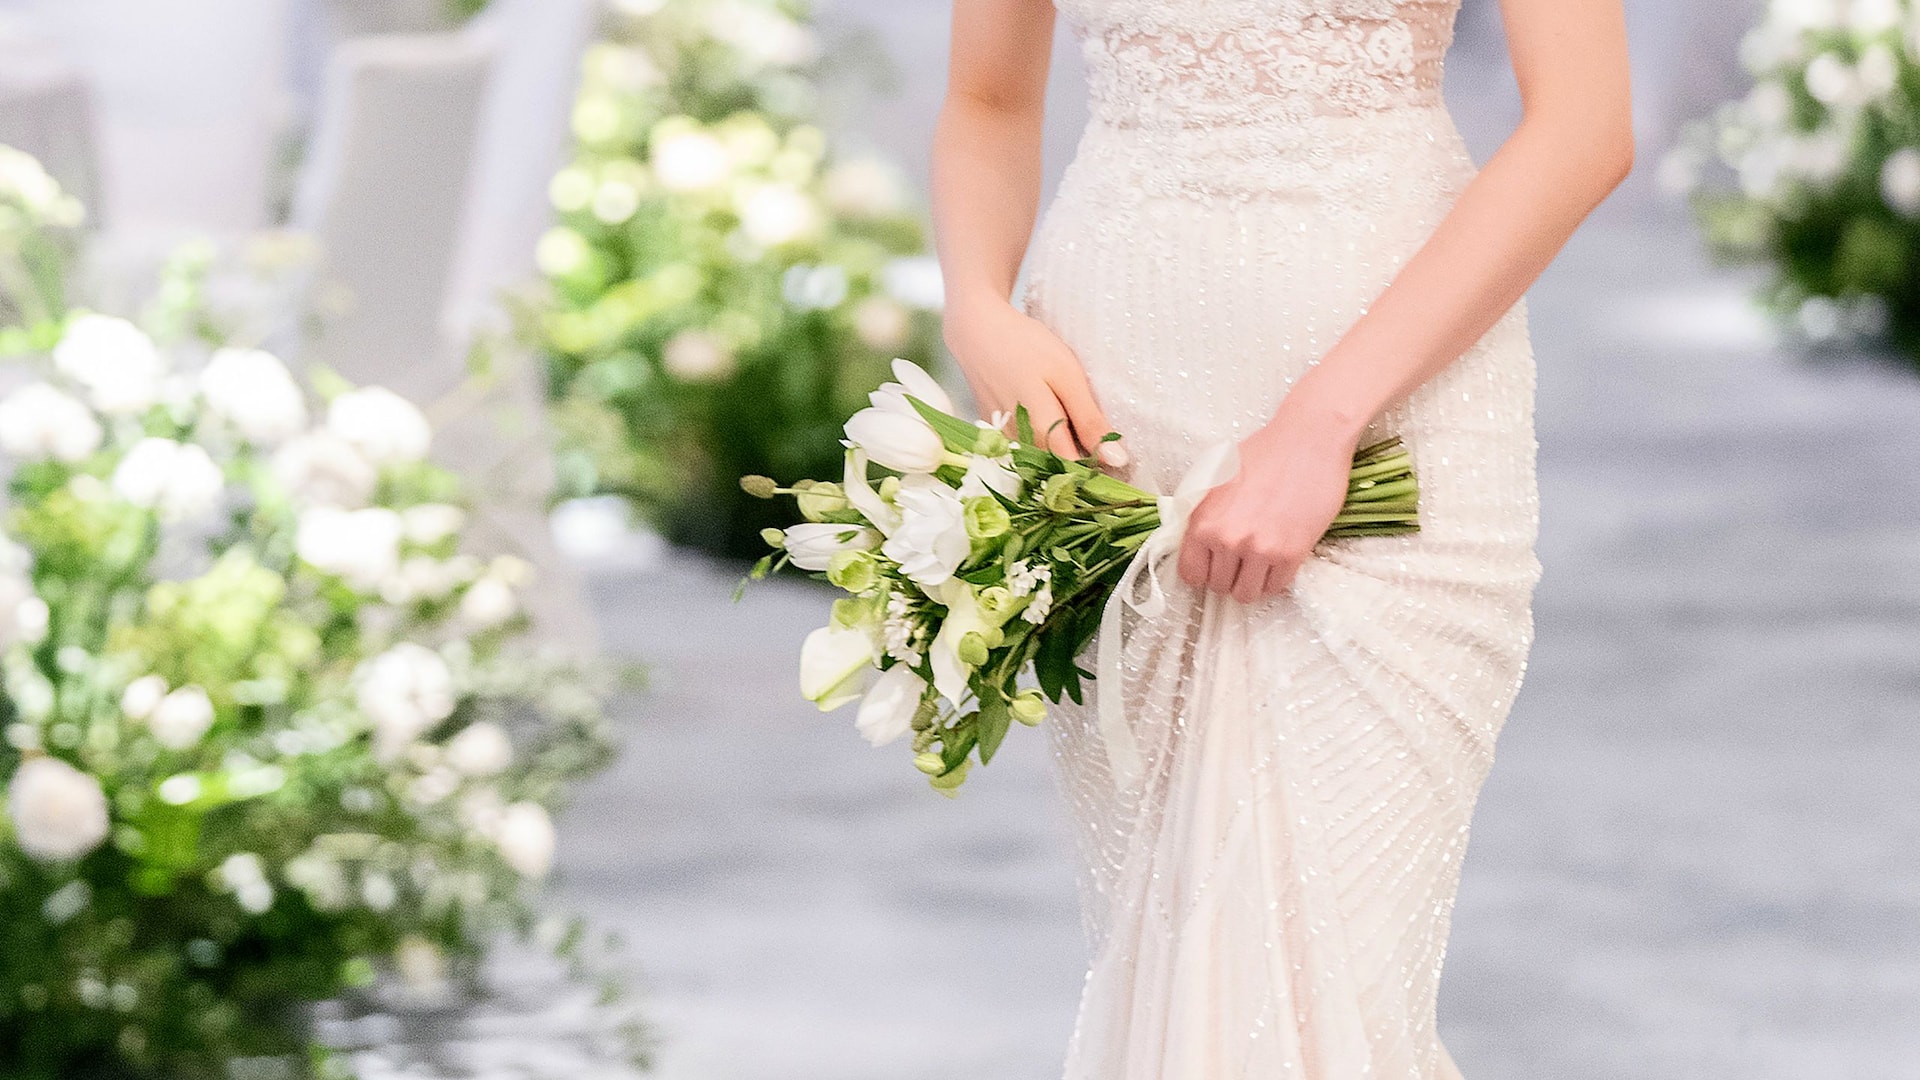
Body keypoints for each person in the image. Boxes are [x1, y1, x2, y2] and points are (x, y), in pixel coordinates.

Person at [929, 1, 1632, 1076]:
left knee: (1318, 983)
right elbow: (988, 99)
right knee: (1179, 975)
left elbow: (1585, 124)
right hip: (1116, 422)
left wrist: (1323, 422)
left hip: (1399, 418)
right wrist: (978, 309)